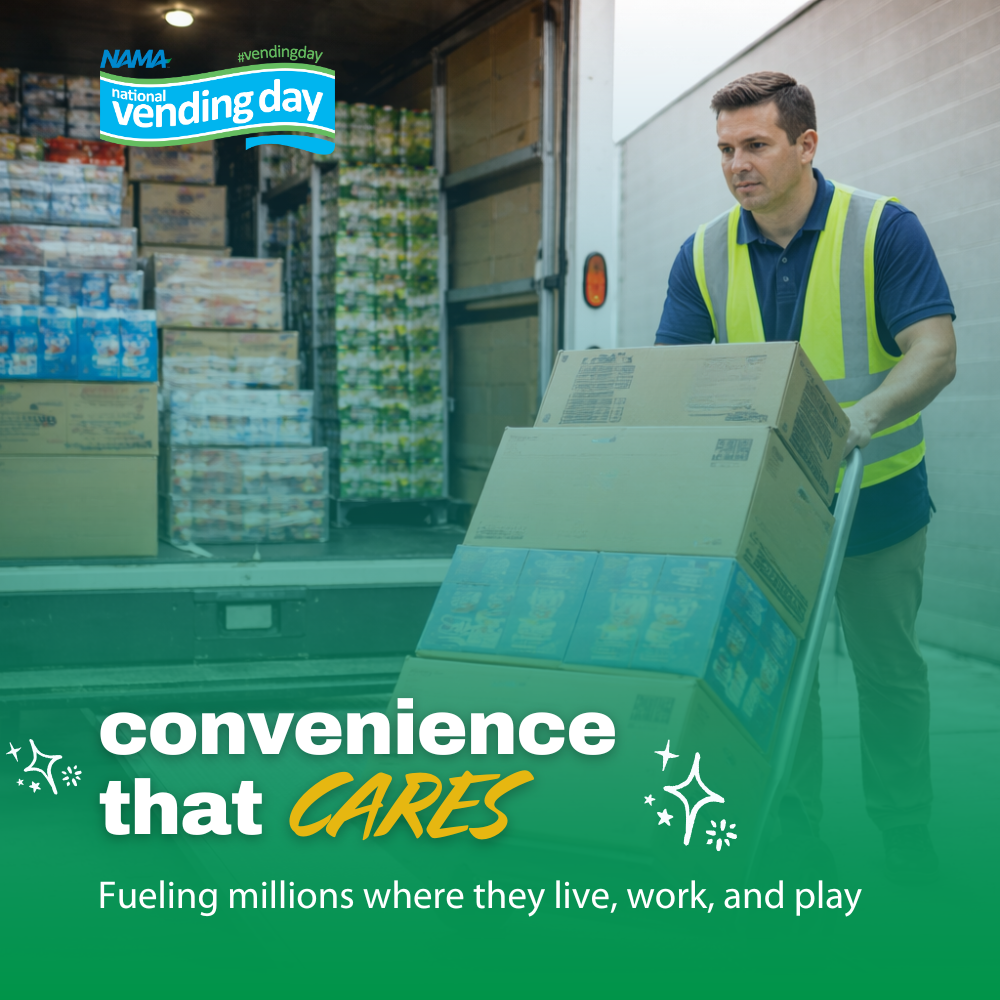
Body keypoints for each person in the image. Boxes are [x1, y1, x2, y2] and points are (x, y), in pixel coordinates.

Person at [653, 71, 957, 883]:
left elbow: (935, 350)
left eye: (755, 145)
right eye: (724, 150)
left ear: (805, 144)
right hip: (769, 506)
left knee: (888, 673)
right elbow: (674, 378)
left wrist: (863, 419)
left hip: (877, 493)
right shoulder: (706, 251)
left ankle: (905, 838)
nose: (737, 165)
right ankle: (795, 842)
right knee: (780, 683)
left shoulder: (883, 230)